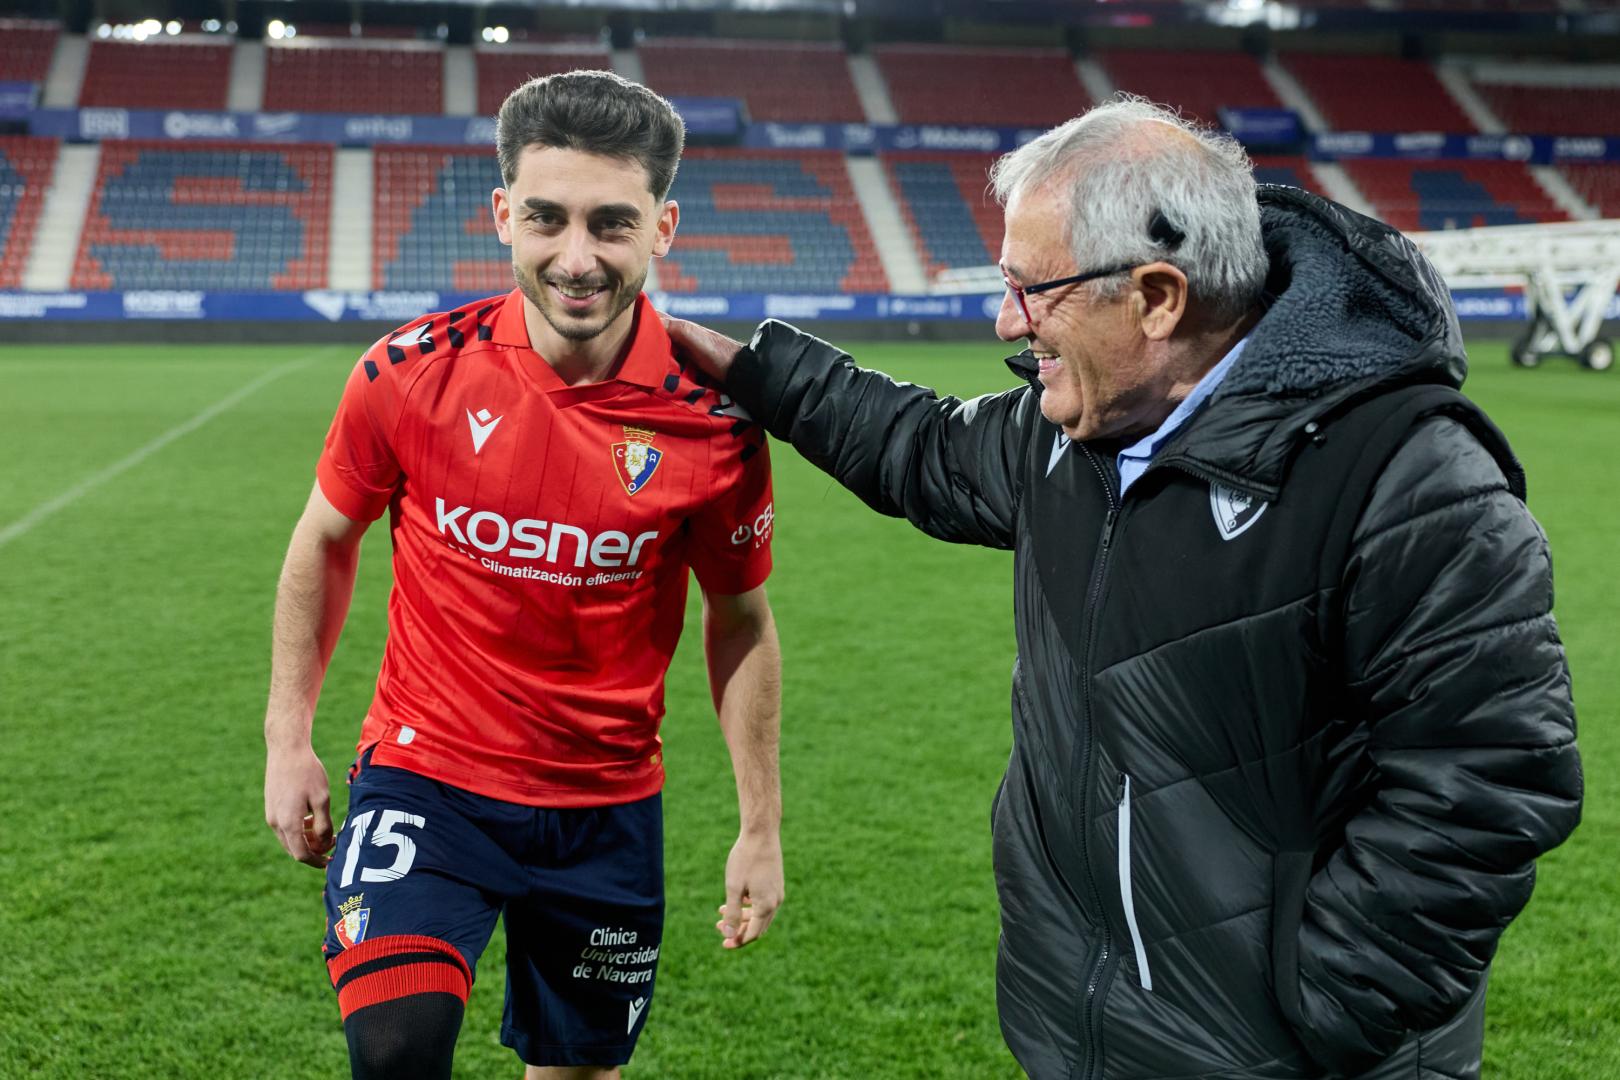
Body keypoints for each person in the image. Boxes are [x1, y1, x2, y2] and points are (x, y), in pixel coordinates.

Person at [664, 97, 1581, 1079]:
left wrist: (1328, 1011)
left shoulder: (1408, 478)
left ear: (1157, 297)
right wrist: (755, 369)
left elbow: (1491, 775)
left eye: (1031, 288)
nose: (1007, 319)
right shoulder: (1065, 428)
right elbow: (919, 449)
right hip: (1081, 1032)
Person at [263, 70, 784, 1080]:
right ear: (504, 214)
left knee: (579, 1073)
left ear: (663, 228)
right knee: (398, 1048)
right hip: (429, 781)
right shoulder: (410, 373)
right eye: (546, 219)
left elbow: (741, 620)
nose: (576, 258)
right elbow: (324, 538)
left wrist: (759, 826)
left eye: (612, 225)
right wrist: (288, 739)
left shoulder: (714, 422)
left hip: (605, 807)